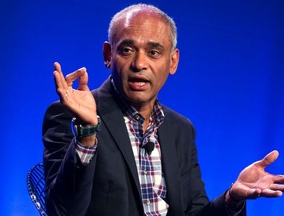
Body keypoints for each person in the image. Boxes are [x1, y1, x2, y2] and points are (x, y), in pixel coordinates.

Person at [42, 3, 284, 216]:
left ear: (173, 61)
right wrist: (87, 133)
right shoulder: (68, 115)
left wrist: (233, 197)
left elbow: (195, 212)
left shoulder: (180, 129)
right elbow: (61, 212)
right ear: (108, 55)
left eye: (154, 52)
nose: (139, 64)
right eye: (127, 50)